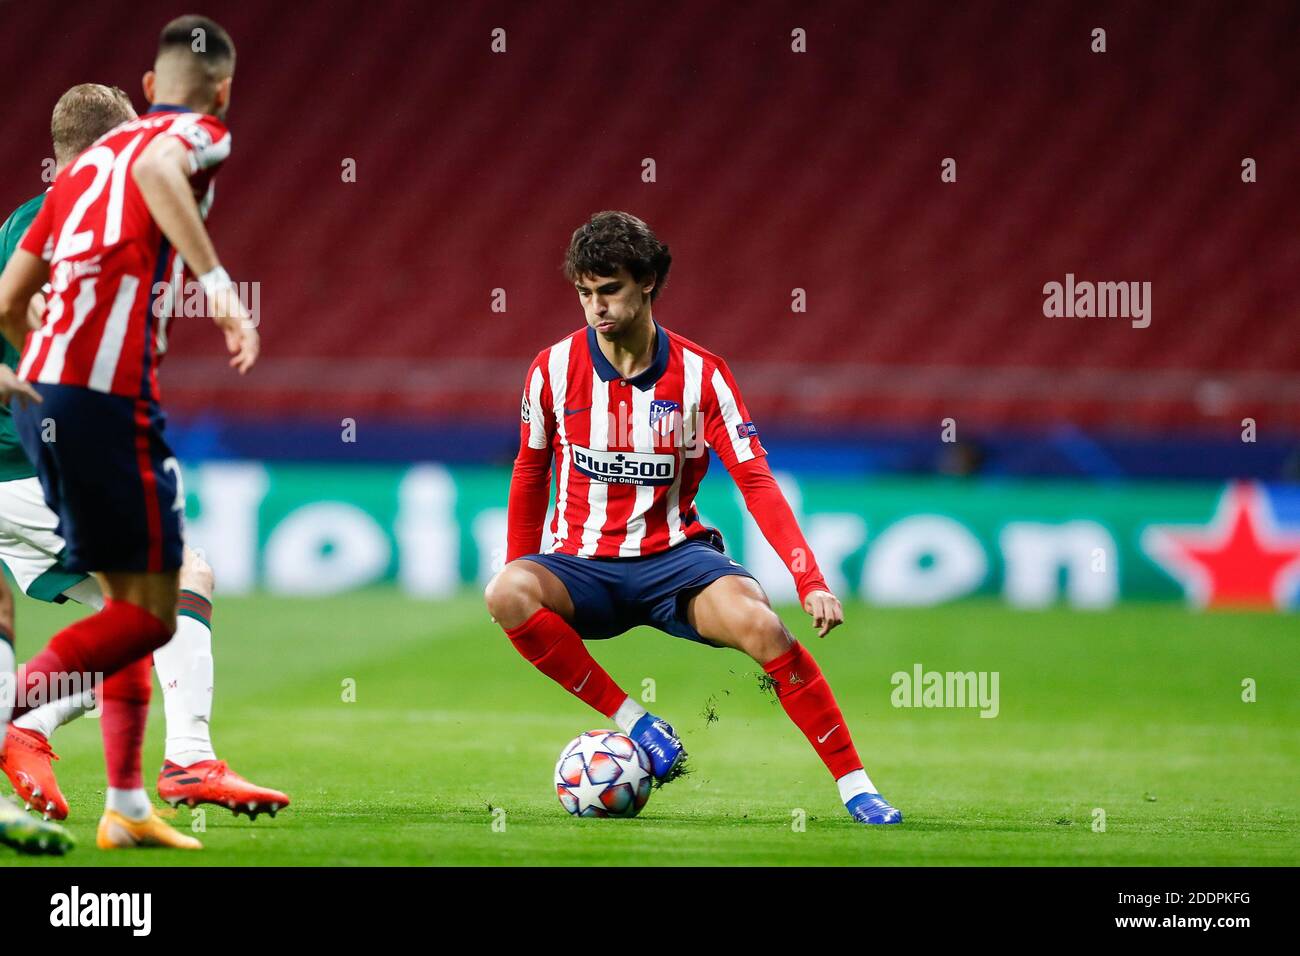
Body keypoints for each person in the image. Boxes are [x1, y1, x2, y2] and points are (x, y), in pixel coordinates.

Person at [484, 211, 901, 824]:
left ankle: (856, 786)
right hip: (581, 567)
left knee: (762, 628)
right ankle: (637, 723)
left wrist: (809, 579)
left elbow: (755, 479)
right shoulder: (551, 369)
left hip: (675, 561)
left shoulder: (703, 375)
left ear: (647, 281)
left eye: (610, 290)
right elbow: (529, 470)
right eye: (585, 293)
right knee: (506, 591)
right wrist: (522, 556)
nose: (596, 307)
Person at [0, 15, 260, 849]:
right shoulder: (134, 180)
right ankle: (154, 755)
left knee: (140, 612)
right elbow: (156, 165)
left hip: (37, 443)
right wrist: (218, 286)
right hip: (44, 449)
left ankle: (126, 799)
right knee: (176, 586)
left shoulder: (35, 216)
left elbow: (10, 304)